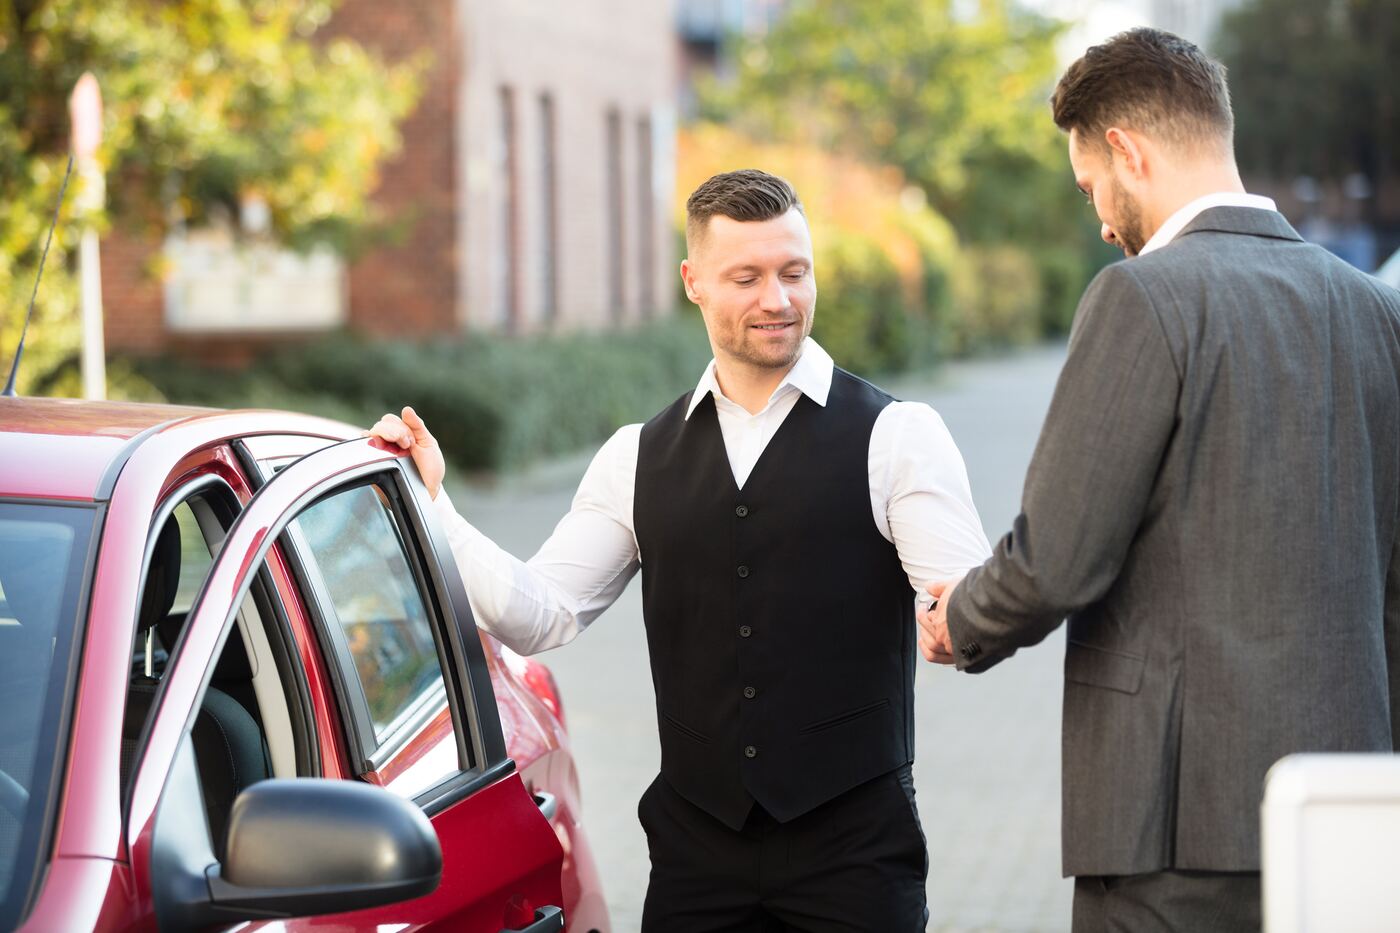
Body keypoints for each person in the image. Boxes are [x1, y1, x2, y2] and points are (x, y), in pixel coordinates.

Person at [370, 169, 991, 931]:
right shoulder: (637, 456)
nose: (778, 298)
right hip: (698, 860)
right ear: (693, 282)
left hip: (856, 856)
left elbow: (962, 596)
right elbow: (539, 616)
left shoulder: (899, 436)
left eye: (794, 272)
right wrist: (437, 506)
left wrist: (960, 621)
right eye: (748, 276)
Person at [918, 27, 1400, 933]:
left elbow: (1057, 557)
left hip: (1171, 821)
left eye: (1090, 184)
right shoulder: (1377, 310)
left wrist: (961, 620)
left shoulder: (1141, 297)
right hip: (1341, 812)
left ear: (1125, 151)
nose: (1100, 219)